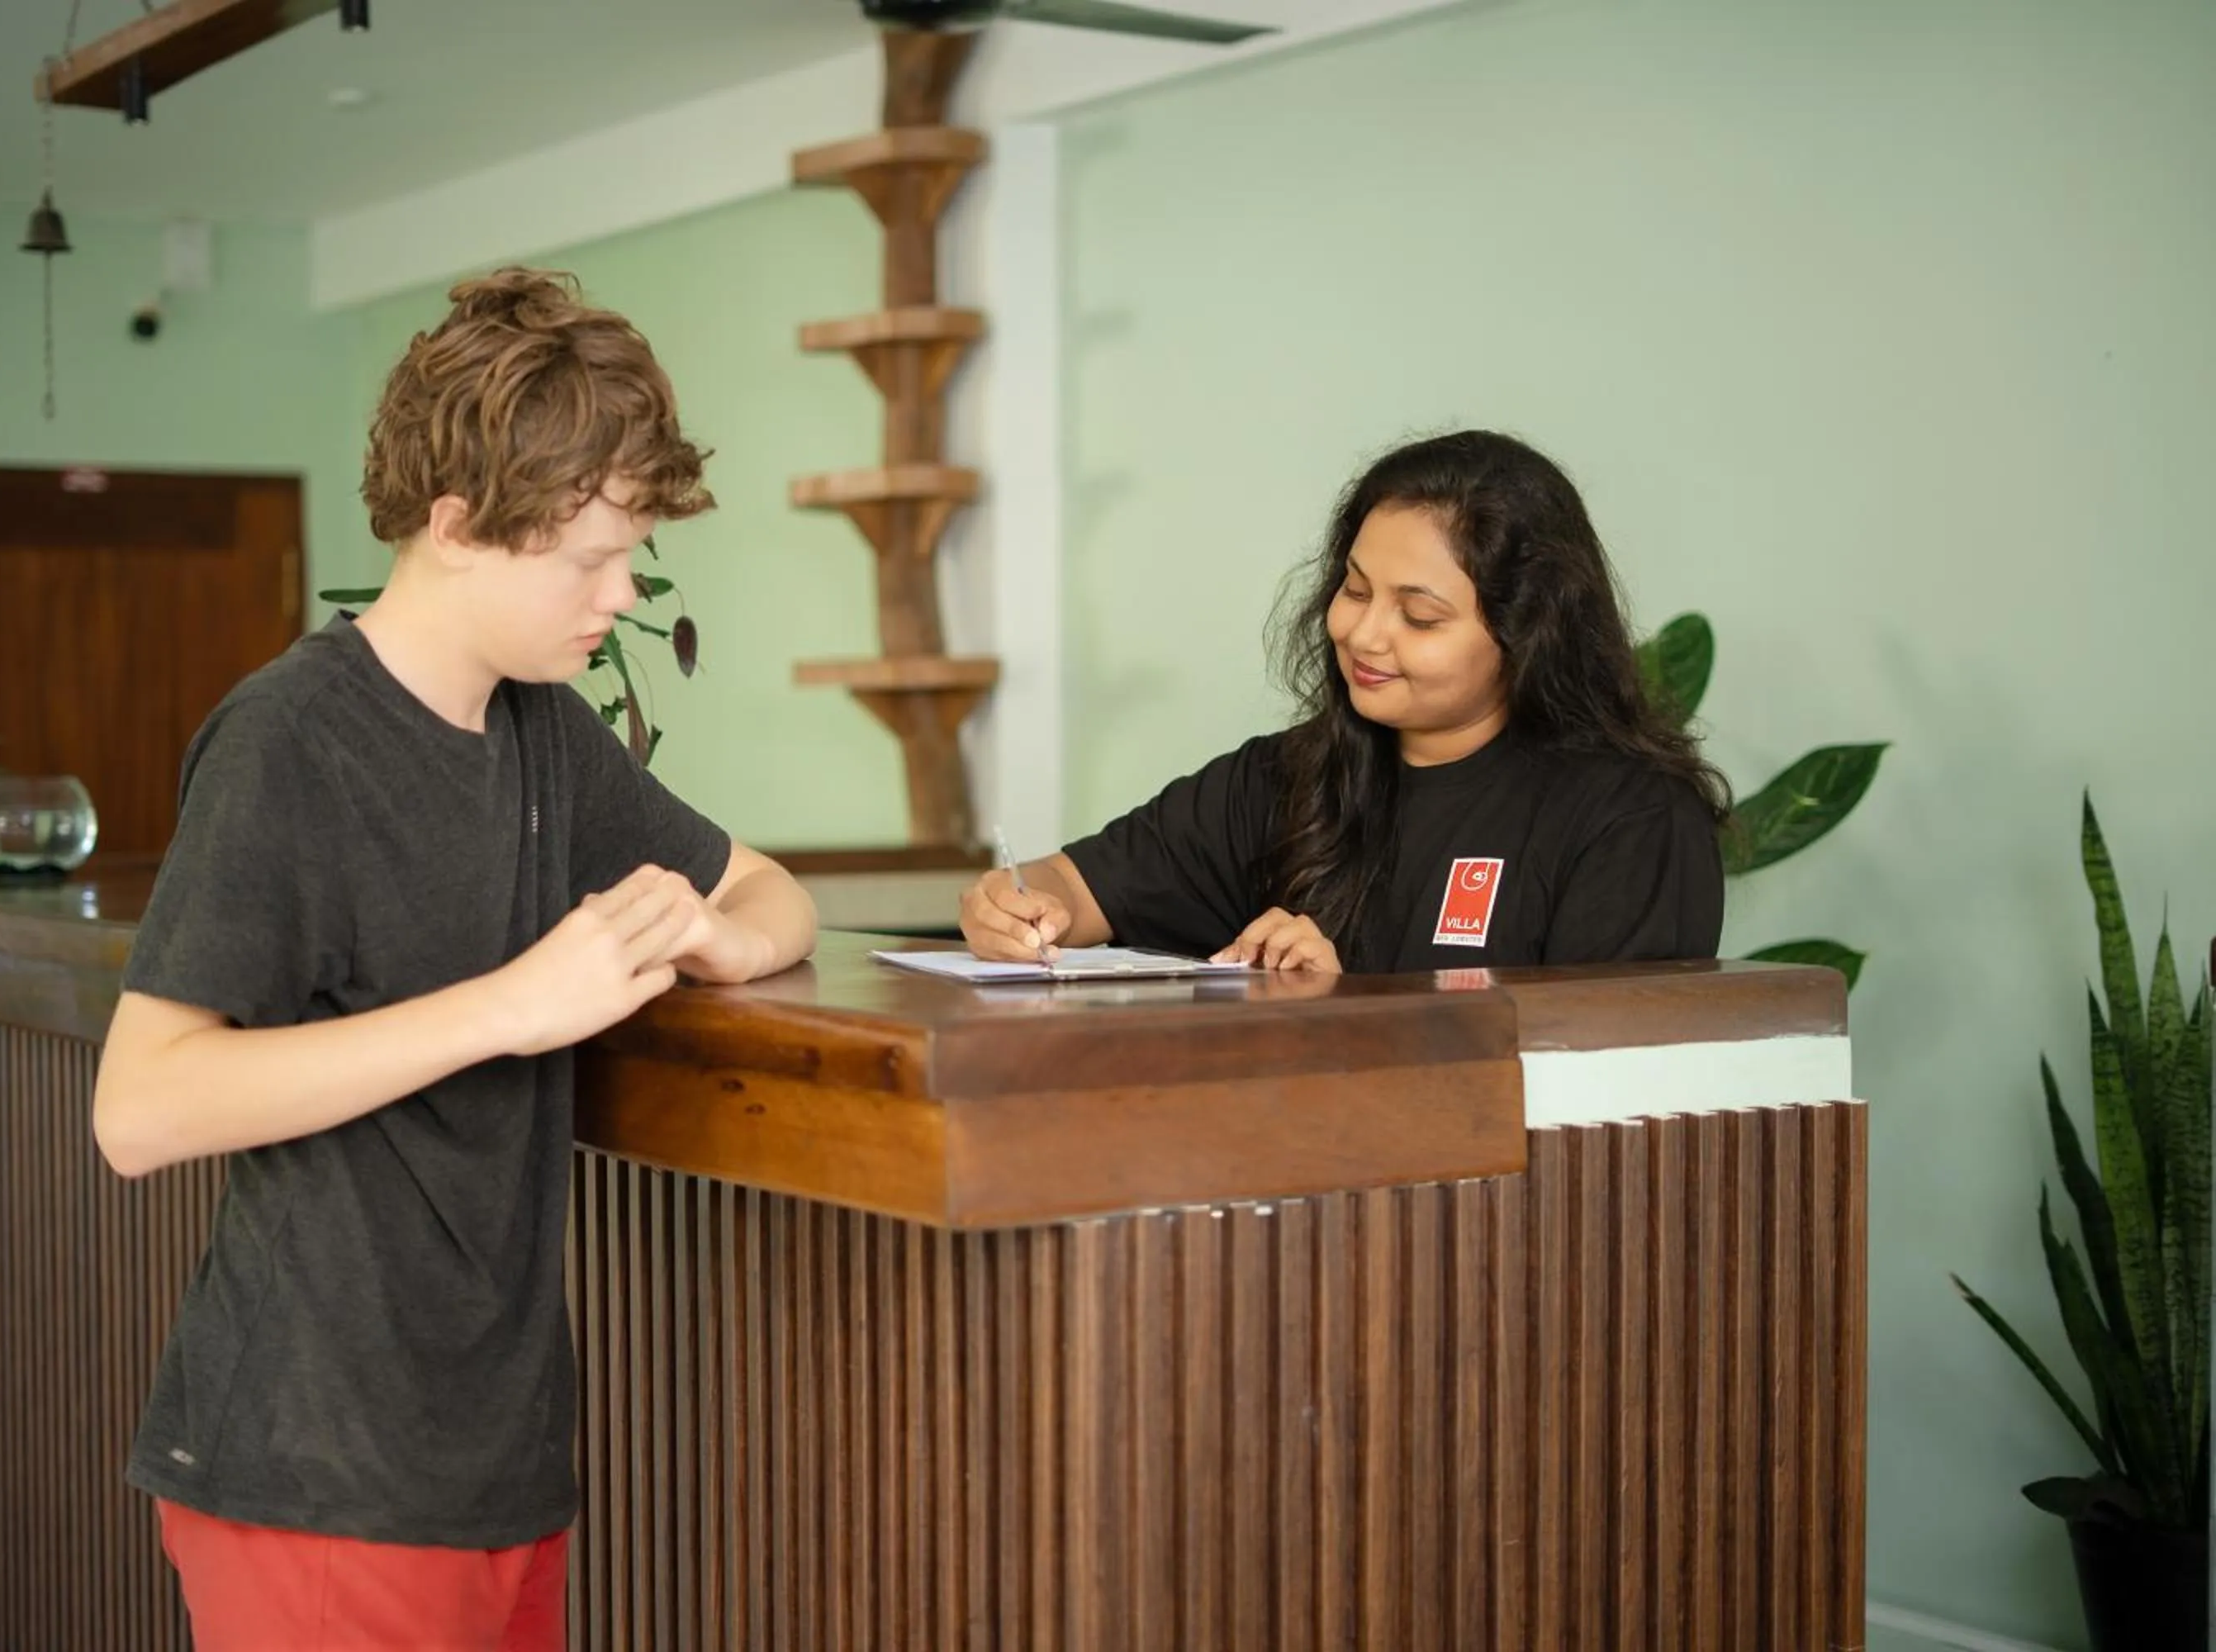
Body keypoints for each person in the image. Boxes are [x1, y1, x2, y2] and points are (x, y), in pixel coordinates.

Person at [89, 267, 818, 1651]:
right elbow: (141, 1110)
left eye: (634, 553)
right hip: (318, 1468)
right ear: (456, 524)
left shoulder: (547, 730)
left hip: (496, 1459)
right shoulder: (288, 741)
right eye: (589, 558)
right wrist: (506, 1009)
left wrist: (723, 939)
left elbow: (774, 891)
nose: (623, 593)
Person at [962, 430, 1728, 975]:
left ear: (1529, 630)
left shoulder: (1631, 821)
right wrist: (1018, 906)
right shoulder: (1286, 778)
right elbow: (1075, 888)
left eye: (1419, 616)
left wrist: (1345, 1012)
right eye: (1355, 591)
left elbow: (1603, 1094)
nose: (1364, 633)